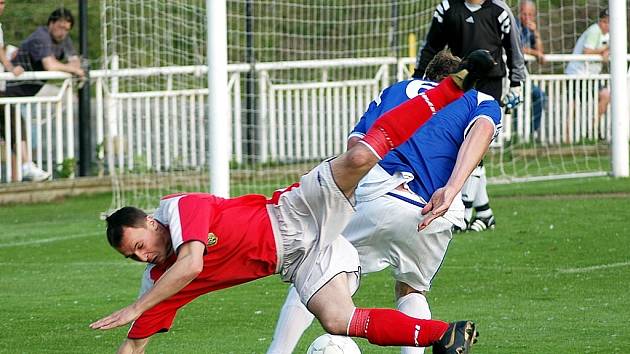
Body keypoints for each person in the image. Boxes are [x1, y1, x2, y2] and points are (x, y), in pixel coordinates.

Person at [89, 50, 497, 354]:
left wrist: (136, 306)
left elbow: (193, 262)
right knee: (338, 321)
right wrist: (139, 315)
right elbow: (134, 347)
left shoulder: (179, 208)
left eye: (139, 245)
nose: (142, 258)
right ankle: (444, 334)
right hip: (297, 261)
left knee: (358, 157)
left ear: (151, 223)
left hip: (293, 211)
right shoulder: (161, 283)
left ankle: (449, 90)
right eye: (133, 257)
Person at [267, 50, 501, 354]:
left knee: (312, 271)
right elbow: (482, 130)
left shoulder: (397, 90)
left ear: (427, 77)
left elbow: (356, 146)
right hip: (433, 210)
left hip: (381, 193)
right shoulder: (479, 99)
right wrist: (453, 188)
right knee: (411, 288)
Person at [413, 0, 527, 232]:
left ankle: (463, 213)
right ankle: (484, 212)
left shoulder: (500, 12)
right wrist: (417, 79)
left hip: (489, 81)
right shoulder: (447, 8)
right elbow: (431, 46)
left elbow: (515, 49)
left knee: (477, 147)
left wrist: (517, 83)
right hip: (456, 83)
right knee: (460, 146)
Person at [565, 8, 610, 130]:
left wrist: (607, 51)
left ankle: (592, 129)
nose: (606, 25)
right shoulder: (594, 31)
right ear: (600, 21)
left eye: (609, 22)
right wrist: (603, 51)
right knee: (573, 104)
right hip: (577, 73)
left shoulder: (610, 36)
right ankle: (567, 134)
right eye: (604, 22)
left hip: (591, 75)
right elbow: (587, 52)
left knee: (605, 95)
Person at [516, 0, 546, 133]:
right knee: (516, 98)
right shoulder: (514, 25)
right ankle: (515, 133)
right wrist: (535, 53)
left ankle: (532, 132)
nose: (526, 17)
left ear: (534, 15)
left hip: (524, 73)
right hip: (509, 72)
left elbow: (541, 56)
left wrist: (537, 34)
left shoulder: (531, 29)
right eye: (524, 14)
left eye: (530, 14)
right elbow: (517, 48)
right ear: (519, 13)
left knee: (539, 95)